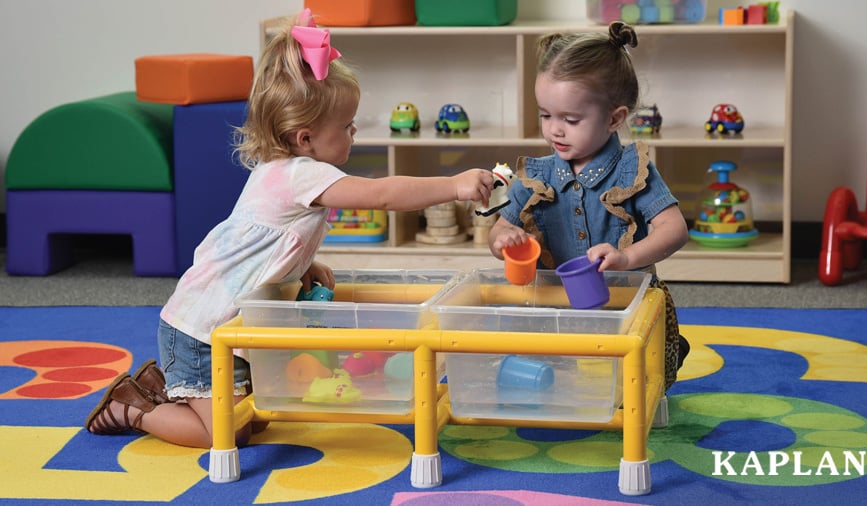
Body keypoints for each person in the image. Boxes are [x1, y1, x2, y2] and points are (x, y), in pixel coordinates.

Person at [84, 9, 494, 448]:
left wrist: (303, 264)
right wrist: (454, 184)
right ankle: (135, 406)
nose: (353, 134)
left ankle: (163, 383)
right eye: (347, 127)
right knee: (227, 434)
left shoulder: (281, 169)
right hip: (201, 333)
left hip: (223, 328)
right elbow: (381, 196)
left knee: (259, 419)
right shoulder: (303, 174)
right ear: (304, 138)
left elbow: (259, 237)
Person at [489, 22, 690, 392]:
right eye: (545, 115)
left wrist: (627, 258)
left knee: (636, 383)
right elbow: (498, 229)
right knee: (543, 374)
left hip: (626, 302)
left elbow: (675, 229)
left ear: (615, 118)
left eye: (571, 119)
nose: (554, 131)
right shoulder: (537, 174)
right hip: (554, 305)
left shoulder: (633, 168)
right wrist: (504, 238)